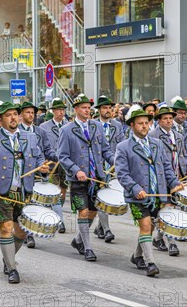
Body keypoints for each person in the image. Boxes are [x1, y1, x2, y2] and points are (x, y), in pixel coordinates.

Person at [0, 102, 49, 283]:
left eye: (15, 114)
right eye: (8, 115)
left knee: (22, 232)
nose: (13, 118)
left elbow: (39, 157)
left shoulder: (30, 137)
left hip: (24, 191)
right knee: (6, 228)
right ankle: (12, 268)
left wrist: (43, 167)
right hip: (2, 192)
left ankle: (7, 257)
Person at [115, 105, 184, 276]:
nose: (144, 126)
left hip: (158, 193)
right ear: (132, 125)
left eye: (146, 123)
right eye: (140, 123)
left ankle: (137, 256)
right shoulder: (123, 147)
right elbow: (122, 174)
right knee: (145, 225)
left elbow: (167, 167)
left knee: (150, 228)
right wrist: (135, 188)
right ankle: (150, 263)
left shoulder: (158, 144)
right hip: (137, 196)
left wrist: (174, 183)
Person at [59, 94, 114, 262]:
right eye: (84, 108)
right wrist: (76, 170)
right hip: (78, 180)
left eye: (89, 108)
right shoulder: (66, 130)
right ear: (75, 110)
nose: (87, 110)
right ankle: (88, 247)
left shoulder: (97, 126)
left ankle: (78, 240)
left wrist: (116, 162)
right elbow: (62, 156)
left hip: (96, 176)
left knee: (93, 211)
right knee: (82, 211)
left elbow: (105, 150)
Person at [148, 106, 187, 256]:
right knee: (168, 209)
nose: (168, 121)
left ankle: (158, 238)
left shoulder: (178, 136)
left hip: (176, 176)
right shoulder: (153, 135)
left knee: (172, 208)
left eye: (170, 118)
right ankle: (172, 243)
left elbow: (182, 156)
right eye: (165, 118)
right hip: (161, 178)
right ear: (159, 120)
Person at [18, 101, 58, 248]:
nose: (31, 115)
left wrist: (58, 157)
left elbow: (47, 150)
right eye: (27, 112)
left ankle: (29, 232)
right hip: (22, 173)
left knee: (33, 203)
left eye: (32, 113)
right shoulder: (16, 130)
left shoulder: (40, 131)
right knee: (24, 203)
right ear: (21, 114)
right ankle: (26, 233)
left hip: (38, 173)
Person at [93, 96, 125, 242]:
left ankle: (99, 226)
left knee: (110, 196)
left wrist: (120, 163)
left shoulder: (117, 125)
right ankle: (106, 230)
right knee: (101, 196)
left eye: (109, 108)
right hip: (97, 166)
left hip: (113, 166)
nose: (108, 110)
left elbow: (122, 144)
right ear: (99, 110)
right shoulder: (93, 125)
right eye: (104, 108)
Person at [39, 98, 68, 233]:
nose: (61, 112)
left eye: (63, 110)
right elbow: (41, 146)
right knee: (54, 190)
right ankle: (60, 220)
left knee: (63, 191)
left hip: (65, 164)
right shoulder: (44, 127)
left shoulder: (68, 125)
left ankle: (57, 212)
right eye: (59, 110)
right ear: (53, 111)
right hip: (50, 163)